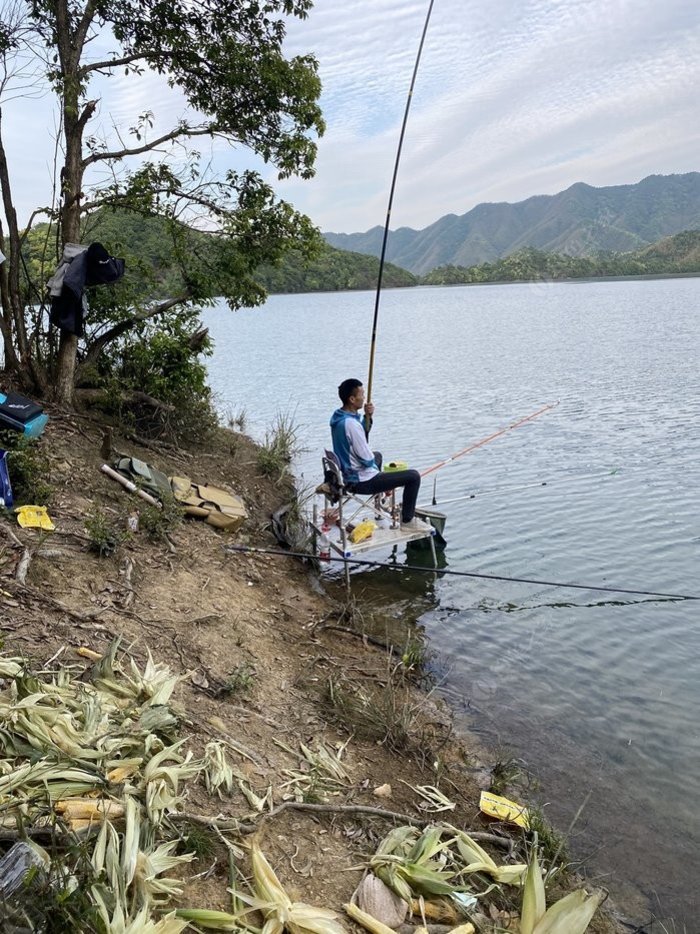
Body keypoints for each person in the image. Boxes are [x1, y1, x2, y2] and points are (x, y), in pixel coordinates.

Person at [330, 378, 427, 531]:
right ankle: (407, 521)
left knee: (378, 455)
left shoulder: (338, 418)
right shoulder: (352, 425)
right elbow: (366, 458)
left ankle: (378, 500)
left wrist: (368, 417)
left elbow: (361, 438)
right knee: (413, 476)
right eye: (362, 394)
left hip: (347, 473)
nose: (365, 398)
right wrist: (377, 472)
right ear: (352, 399)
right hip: (360, 481)